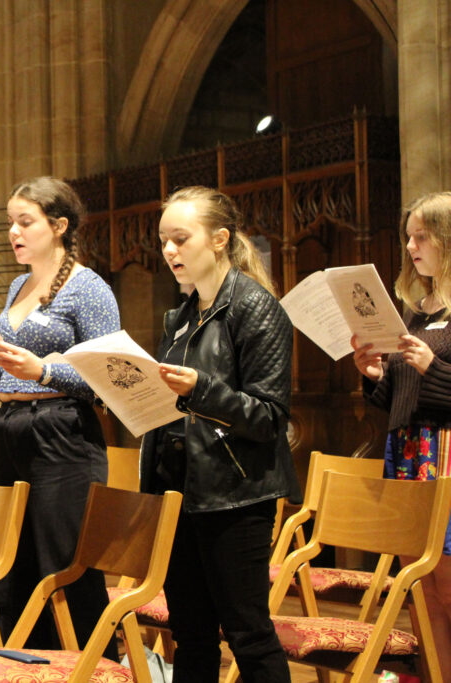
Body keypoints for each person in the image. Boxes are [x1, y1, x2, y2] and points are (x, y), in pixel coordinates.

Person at [0, 176, 120, 649]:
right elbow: (10, 377)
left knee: (64, 566)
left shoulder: (88, 288)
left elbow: (109, 378)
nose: (13, 232)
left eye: (25, 222)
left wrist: (45, 372)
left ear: (59, 226)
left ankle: (91, 669)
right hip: (12, 430)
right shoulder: (19, 285)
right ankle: (23, 667)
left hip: (64, 436)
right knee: (15, 565)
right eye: (10, 222)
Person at [140, 185, 297, 682]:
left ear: (219, 239)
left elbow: (270, 417)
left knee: (248, 634)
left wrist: (201, 390)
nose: (169, 250)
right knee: (191, 633)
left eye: (180, 238)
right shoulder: (182, 315)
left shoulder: (256, 308)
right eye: (163, 241)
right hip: (179, 488)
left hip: (235, 495)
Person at [352, 190, 451, 681]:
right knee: (419, 587)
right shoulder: (416, 308)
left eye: (421, 237)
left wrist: (434, 367)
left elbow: (435, 381)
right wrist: (376, 376)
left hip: (445, 455)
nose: (411, 247)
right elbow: (401, 396)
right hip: (409, 451)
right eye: (408, 237)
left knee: (449, 584)